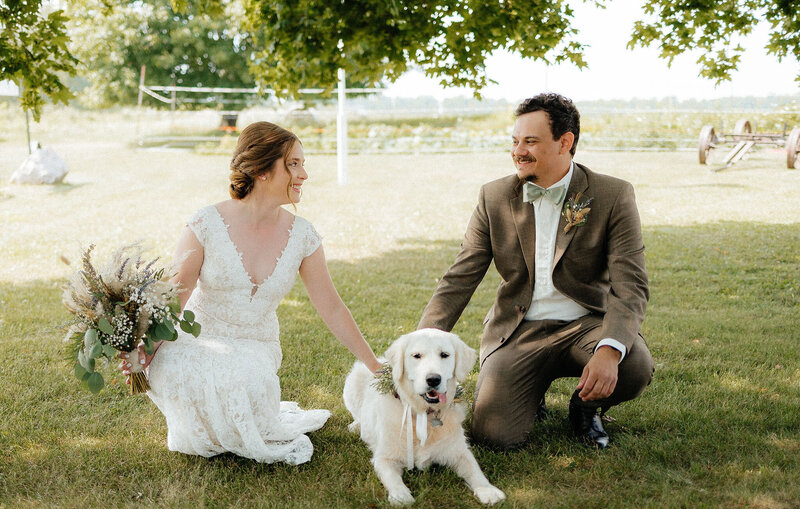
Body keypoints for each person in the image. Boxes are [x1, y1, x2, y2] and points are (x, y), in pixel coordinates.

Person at [121, 121, 382, 465]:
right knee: (182, 369)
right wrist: (146, 348)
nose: (304, 174)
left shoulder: (303, 236)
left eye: (302, 164)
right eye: (294, 164)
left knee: (248, 381)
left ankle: (232, 414)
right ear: (261, 169)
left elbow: (332, 307)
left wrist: (376, 368)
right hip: (196, 340)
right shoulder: (205, 224)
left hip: (255, 345)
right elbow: (176, 298)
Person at [418, 93, 654, 449]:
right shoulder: (494, 196)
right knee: (494, 437)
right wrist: (422, 342)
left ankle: (585, 407)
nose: (518, 151)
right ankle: (530, 391)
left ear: (565, 142)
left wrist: (609, 350)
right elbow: (461, 275)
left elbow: (630, 285)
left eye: (530, 141)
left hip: (586, 325)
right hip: (518, 330)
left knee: (632, 362)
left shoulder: (612, 195)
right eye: (515, 141)